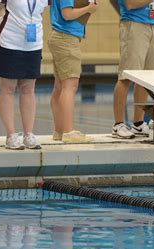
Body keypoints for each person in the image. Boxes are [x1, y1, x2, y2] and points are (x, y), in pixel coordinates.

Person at [0, 0, 50, 150]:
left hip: (33, 45)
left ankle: (28, 133)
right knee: (8, 88)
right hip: (9, 43)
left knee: (28, 89)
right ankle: (11, 135)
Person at [112, 0, 154, 139]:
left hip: (152, 26)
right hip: (134, 26)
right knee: (126, 77)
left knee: (146, 78)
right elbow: (130, 4)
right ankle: (118, 124)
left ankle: (138, 123)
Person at [48, 0, 98, 143]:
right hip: (66, 38)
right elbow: (67, 14)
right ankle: (68, 131)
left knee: (59, 87)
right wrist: (89, 8)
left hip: (62, 36)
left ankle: (59, 131)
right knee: (69, 86)